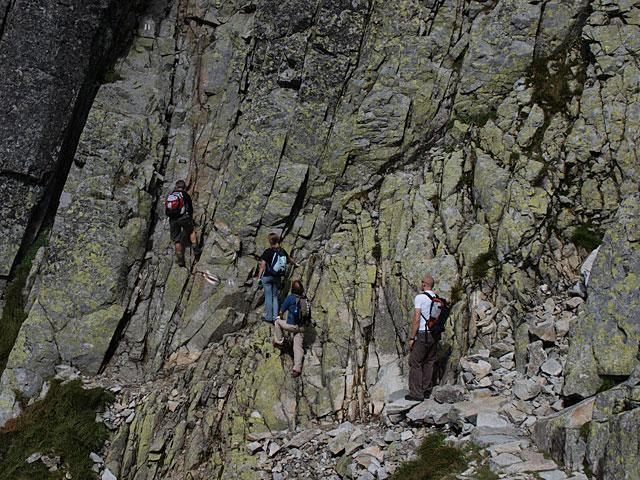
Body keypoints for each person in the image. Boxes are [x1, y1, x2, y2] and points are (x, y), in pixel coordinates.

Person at [406, 275, 441, 401]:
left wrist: (412, 337)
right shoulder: (436, 298)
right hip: (434, 334)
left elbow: (416, 319)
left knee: (415, 362)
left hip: (422, 333)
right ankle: (426, 390)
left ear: (424, 284)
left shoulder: (420, 297)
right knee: (429, 361)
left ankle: (416, 393)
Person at [257, 232, 297, 323]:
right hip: (277, 277)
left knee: (268, 297)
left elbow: (262, 265)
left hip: (267, 277)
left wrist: (259, 277)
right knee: (275, 297)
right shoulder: (282, 251)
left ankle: (269, 317)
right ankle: (275, 317)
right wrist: (296, 264)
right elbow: (290, 260)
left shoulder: (268, 251)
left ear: (271, 241)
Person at [273, 280, 307, 377]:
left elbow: (281, 311)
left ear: (292, 289)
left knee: (277, 322)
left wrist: (280, 316)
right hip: (302, 327)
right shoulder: (305, 299)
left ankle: (280, 342)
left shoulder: (290, 298)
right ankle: (297, 369)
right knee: (297, 347)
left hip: (292, 326)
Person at [166, 180, 201, 267]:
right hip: (184, 218)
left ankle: (181, 260)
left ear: (176, 186)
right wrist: (190, 218)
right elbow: (190, 209)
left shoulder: (171, 195)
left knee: (177, 240)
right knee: (191, 231)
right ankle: (196, 251)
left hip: (173, 220)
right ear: (184, 187)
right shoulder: (185, 195)